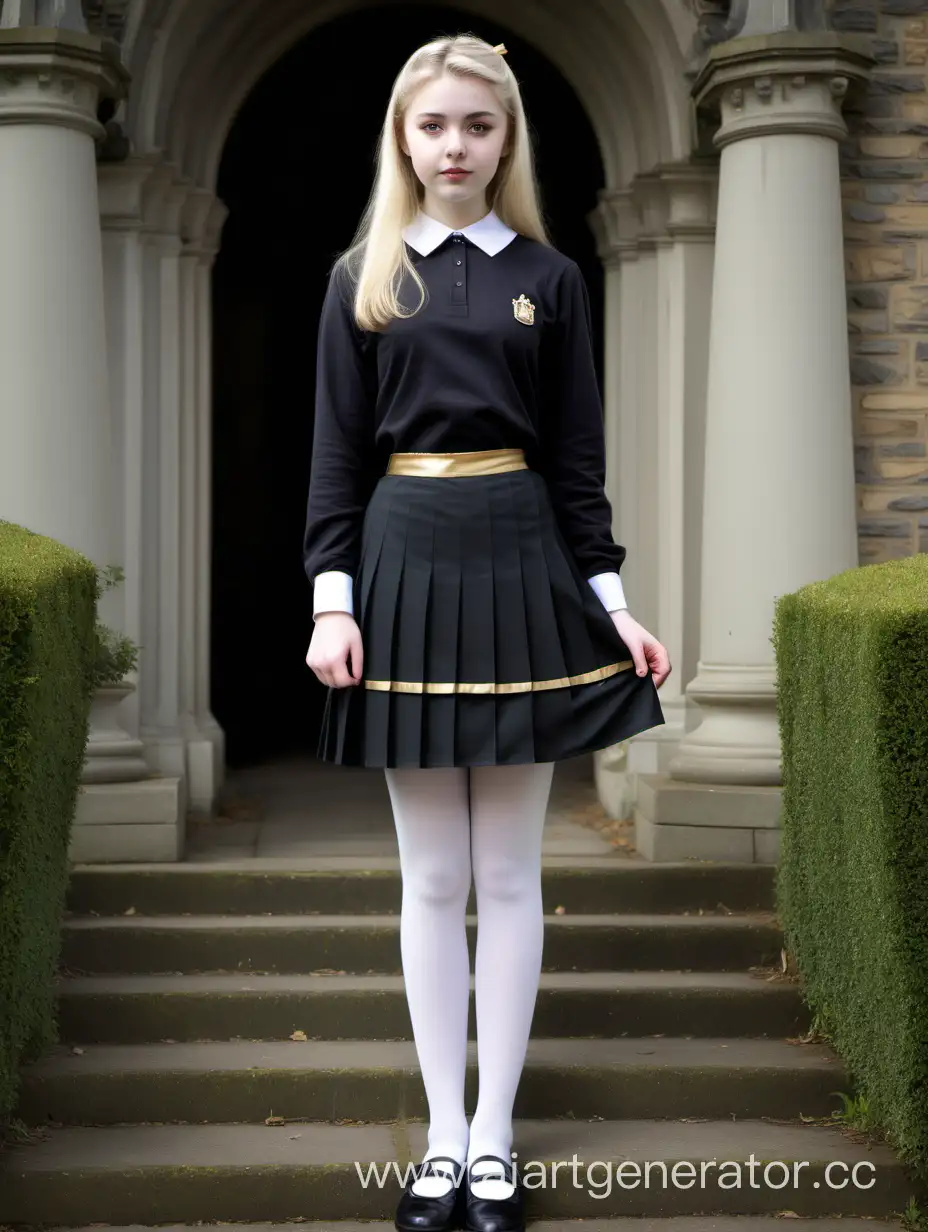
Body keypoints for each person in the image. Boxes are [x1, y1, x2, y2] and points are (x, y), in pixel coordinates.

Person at [303, 32, 670, 1232]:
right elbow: (333, 465)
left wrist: (615, 606)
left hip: (523, 559)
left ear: (506, 138)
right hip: (402, 559)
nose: (453, 145)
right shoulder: (364, 273)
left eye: (476, 125)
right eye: (432, 126)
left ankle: (498, 1138)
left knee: (511, 873)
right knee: (432, 875)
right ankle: (441, 1140)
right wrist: (332, 601)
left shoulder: (550, 279)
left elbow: (576, 467)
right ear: (401, 139)